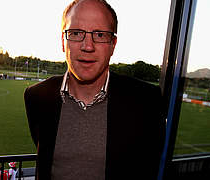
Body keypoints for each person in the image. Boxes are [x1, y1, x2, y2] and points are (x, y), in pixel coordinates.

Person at [24, 0, 166, 179]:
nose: (88, 46)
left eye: (99, 35)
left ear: (113, 45)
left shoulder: (147, 101)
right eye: (76, 33)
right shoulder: (36, 96)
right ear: (63, 41)